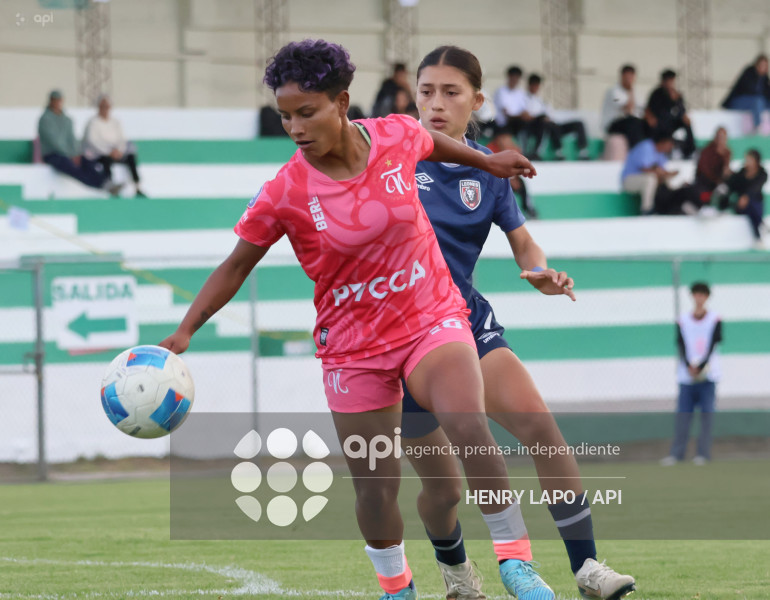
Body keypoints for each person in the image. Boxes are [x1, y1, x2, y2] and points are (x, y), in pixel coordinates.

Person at [158, 39, 542, 600]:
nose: (295, 126)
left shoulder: (392, 134)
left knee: (468, 423)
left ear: (341, 102)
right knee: (376, 487)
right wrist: (187, 327)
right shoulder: (285, 191)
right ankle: (398, 589)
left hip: (431, 315)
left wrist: (487, 161)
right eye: (284, 115)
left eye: (306, 112)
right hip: (355, 349)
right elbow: (235, 264)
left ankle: (515, 563)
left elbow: (430, 141)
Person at [405, 44, 636, 600]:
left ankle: (587, 569)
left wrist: (539, 271)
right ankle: (457, 571)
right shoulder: (391, 158)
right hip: (399, 338)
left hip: (465, 323)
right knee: (444, 490)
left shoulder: (488, 173)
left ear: (477, 100)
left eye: (451, 92)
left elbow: (523, 240)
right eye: (426, 91)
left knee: (543, 432)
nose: (436, 103)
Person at [661, 282, 722, 466]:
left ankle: (702, 453)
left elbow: (714, 343)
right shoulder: (683, 319)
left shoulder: (715, 318)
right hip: (686, 377)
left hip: (708, 376)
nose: (699, 297)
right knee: (683, 416)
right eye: (696, 294)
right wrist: (689, 366)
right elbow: (681, 344)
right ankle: (677, 454)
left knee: (706, 416)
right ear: (692, 296)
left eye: (702, 294)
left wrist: (702, 366)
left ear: (707, 297)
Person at [37, 90, 122, 195]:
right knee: (73, 168)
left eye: (59, 100)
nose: (57, 103)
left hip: (70, 155)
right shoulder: (45, 120)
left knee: (87, 162)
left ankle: (106, 183)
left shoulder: (67, 120)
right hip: (53, 155)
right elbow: (54, 142)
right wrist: (70, 155)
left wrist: (76, 153)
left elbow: (72, 139)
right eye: (55, 100)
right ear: (51, 101)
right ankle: (100, 185)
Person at [83, 94, 145, 197]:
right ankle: (111, 186)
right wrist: (108, 152)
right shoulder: (93, 123)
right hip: (100, 154)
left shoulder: (115, 122)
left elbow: (122, 140)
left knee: (131, 157)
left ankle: (137, 186)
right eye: (102, 106)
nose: (105, 109)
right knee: (106, 161)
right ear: (98, 107)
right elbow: (92, 141)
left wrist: (119, 151)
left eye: (107, 106)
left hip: (116, 152)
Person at [525, 73, 590, 160]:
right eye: (534, 84)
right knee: (548, 124)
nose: (536, 87)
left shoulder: (541, 100)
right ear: (529, 85)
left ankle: (583, 152)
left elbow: (551, 115)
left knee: (579, 124)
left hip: (554, 124)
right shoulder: (524, 99)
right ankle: (558, 152)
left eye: (537, 85)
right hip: (540, 125)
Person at [714, 149, 768, 248]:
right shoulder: (742, 172)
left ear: (756, 161)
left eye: (749, 159)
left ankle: (759, 231)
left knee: (751, 204)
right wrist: (728, 176)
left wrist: (746, 196)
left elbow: (755, 188)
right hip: (741, 205)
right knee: (747, 205)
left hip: (754, 204)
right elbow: (733, 184)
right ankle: (760, 225)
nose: (747, 162)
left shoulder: (762, 173)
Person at [620, 131, 678, 214]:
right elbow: (645, 168)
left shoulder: (661, 153)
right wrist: (662, 173)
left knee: (666, 180)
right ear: (663, 142)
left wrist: (668, 174)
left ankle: (669, 208)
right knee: (650, 179)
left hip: (644, 179)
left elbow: (661, 171)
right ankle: (647, 210)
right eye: (669, 144)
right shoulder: (646, 146)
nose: (671, 147)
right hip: (629, 179)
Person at [646, 69, 695, 159]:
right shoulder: (657, 94)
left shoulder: (676, 95)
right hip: (659, 123)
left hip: (671, 122)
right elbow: (649, 110)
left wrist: (675, 101)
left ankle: (690, 150)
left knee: (687, 123)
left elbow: (682, 112)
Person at [601, 65, 647, 149]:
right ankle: (634, 150)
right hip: (613, 124)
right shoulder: (613, 91)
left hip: (631, 123)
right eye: (627, 77)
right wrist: (630, 92)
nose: (629, 80)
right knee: (632, 122)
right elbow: (628, 109)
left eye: (631, 77)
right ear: (622, 76)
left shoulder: (638, 92)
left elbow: (643, 108)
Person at [722, 54, 770, 131]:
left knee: (761, 101)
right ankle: (758, 127)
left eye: (765, 66)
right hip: (738, 101)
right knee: (758, 101)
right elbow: (749, 90)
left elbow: (767, 93)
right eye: (761, 65)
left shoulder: (764, 78)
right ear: (756, 65)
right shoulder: (749, 73)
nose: (763, 68)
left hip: (756, 103)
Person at [694, 127, 732, 204]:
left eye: (723, 137)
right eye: (719, 137)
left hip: (719, 181)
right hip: (706, 181)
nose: (721, 140)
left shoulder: (727, 152)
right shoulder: (707, 150)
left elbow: (726, 169)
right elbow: (703, 169)